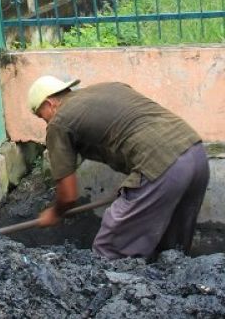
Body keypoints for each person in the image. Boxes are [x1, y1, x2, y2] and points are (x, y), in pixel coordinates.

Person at [28, 75, 209, 260]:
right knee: (171, 252)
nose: (47, 124)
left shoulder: (59, 122)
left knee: (111, 250)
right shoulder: (108, 87)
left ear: (50, 104)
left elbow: (68, 196)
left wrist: (55, 212)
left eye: (42, 117)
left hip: (160, 166)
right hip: (195, 153)